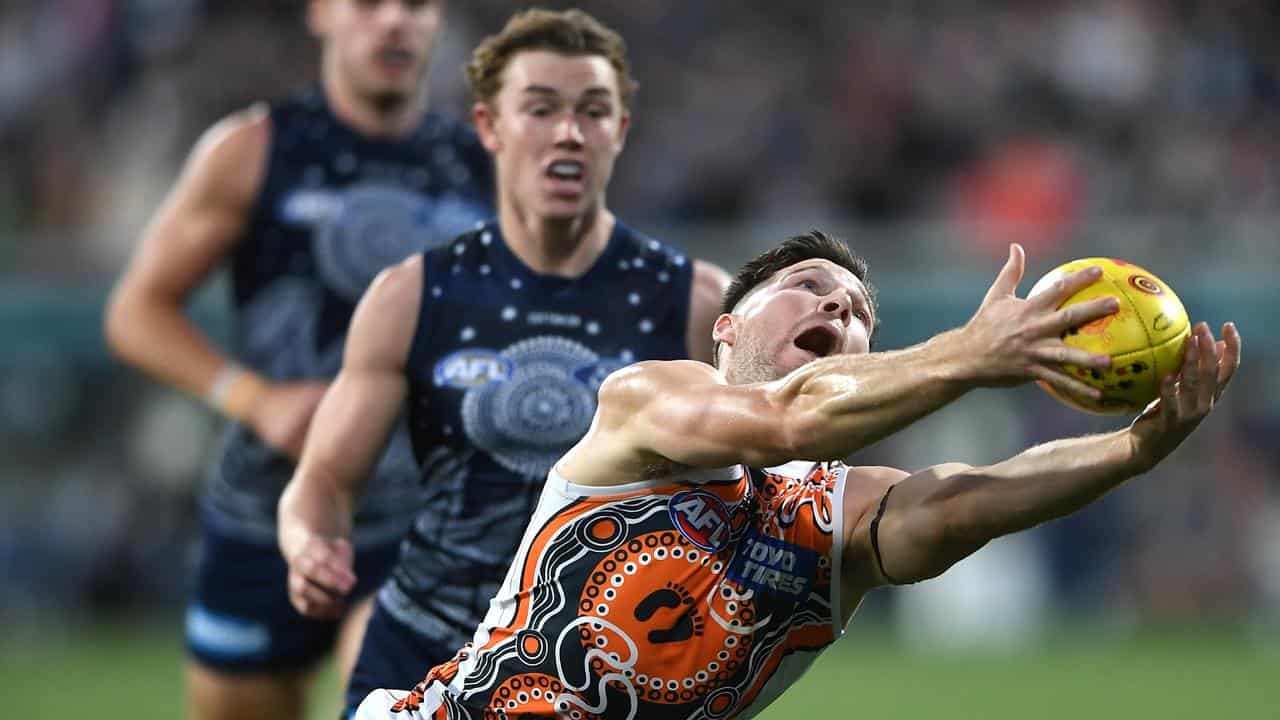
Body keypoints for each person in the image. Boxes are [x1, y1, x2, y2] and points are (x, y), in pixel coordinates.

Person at [351, 231, 1241, 719]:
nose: (835, 307)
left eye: (855, 313)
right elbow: (785, 421)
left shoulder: (832, 519)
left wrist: (1133, 450)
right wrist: (969, 355)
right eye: (808, 285)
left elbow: (964, 504)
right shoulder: (647, 401)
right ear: (726, 330)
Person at [275, 8, 731, 716]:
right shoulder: (411, 296)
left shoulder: (697, 304)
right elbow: (324, 481)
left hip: (601, 671)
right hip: (424, 652)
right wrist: (309, 545)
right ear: (488, 127)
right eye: (540, 109)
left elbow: (770, 492)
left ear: (621, 131)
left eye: (593, 111)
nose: (569, 132)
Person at [103, 2, 495, 718]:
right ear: (322, 13)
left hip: (424, 520)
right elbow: (136, 312)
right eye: (371, 4)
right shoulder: (256, 150)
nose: (395, 24)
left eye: (416, 5)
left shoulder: (483, 162)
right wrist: (254, 398)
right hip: (266, 509)